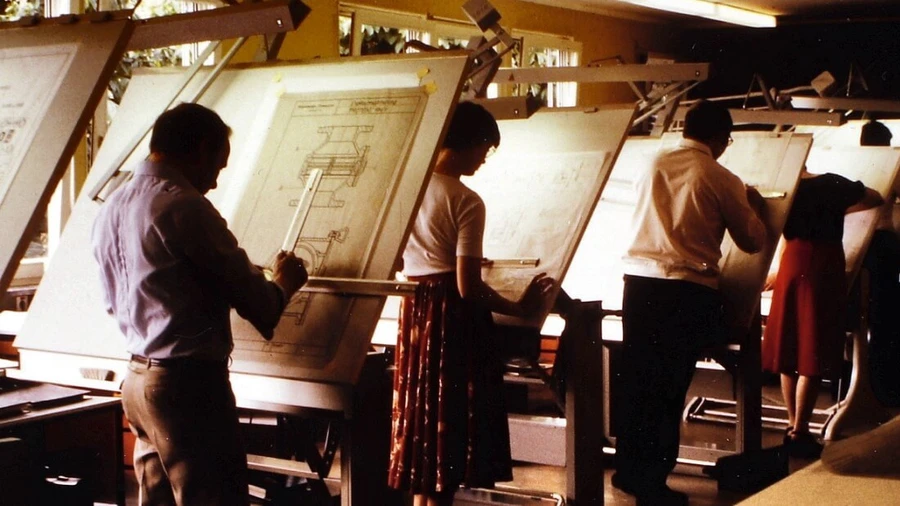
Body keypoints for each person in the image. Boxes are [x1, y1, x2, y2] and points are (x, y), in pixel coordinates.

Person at [92, 103, 308, 505]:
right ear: (201, 148)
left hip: (138, 380)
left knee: (157, 500)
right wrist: (284, 282)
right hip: (188, 388)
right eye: (217, 167)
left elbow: (117, 299)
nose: (213, 182)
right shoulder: (184, 206)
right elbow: (259, 304)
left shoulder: (113, 206)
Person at [387, 101, 556, 506]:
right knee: (451, 425)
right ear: (469, 143)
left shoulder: (408, 189)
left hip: (415, 311)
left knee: (424, 423)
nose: (484, 159)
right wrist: (520, 306)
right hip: (453, 318)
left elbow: (395, 261)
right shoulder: (466, 200)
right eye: (485, 149)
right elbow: (467, 287)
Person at [615, 100, 767, 506]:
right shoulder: (718, 175)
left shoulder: (651, 163)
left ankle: (630, 474)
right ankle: (653, 485)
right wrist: (755, 208)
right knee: (668, 387)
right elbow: (751, 241)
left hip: (639, 286)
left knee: (638, 383)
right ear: (719, 138)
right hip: (685, 291)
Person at [762, 159, 882, 459]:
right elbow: (875, 197)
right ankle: (801, 429)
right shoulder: (831, 183)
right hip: (824, 264)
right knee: (813, 348)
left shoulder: (785, 188)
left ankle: (793, 425)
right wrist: (843, 208)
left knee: (790, 349)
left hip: (791, 261)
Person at [858, 119, 900, 407]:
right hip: (882, 244)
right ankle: (885, 388)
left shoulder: (853, 165)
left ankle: (871, 384)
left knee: (868, 317)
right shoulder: (893, 167)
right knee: (885, 318)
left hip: (855, 246)